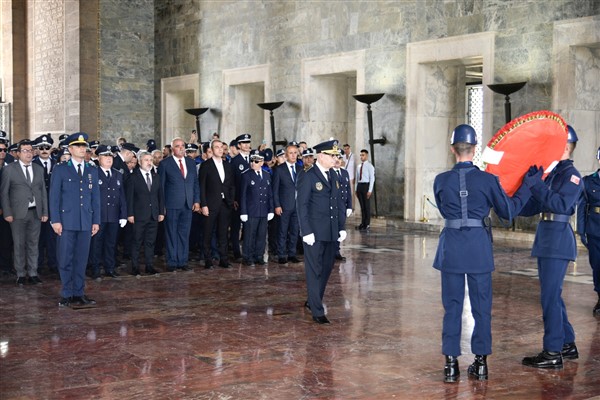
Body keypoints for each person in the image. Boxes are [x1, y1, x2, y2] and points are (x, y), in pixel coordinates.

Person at [433, 124, 535, 382]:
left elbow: (445, 211)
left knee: (452, 307)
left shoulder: (441, 180)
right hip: (478, 249)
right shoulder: (488, 181)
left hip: (452, 250)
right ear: (475, 149)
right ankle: (480, 363)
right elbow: (507, 212)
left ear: (452, 149)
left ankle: (450, 365)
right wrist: (527, 186)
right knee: (481, 307)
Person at [519, 125, 583, 369]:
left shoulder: (572, 175)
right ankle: (567, 343)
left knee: (548, 297)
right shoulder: (553, 174)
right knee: (552, 295)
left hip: (557, 241)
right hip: (547, 239)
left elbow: (560, 204)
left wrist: (537, 185)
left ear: (566, 147)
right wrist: (509, 200)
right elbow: (535, 204)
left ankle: (552, 352)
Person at [296, 139, 347, 324]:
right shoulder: (307, 175)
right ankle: (317, 310)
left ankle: (312, 299)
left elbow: (339, 203)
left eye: (336, 156)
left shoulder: (334, 175)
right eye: (332, 155)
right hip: (314, 233)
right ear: (320, 156)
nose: (335, 159)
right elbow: (301, 205)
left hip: (331, 231)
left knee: (326, 268)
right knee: (313, 269)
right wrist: (306, 231)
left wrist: (341, 227)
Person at [49, 132, 101, 309]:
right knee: (65, 258)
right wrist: (55, 220)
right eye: (78, 146)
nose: (82, 148)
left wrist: (96, 220)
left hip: (86, 221)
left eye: (83, 146)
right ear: (70, 149)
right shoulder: (61, 169)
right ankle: (67, 293)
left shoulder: (92, 170)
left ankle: (79, 292)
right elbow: (54, 197)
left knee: (81, 258)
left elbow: (96, 198)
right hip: (67, 220)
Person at [0, 140, 48, 285]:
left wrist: (45, 211)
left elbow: (43, 192)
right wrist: (7, 212)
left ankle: (33, 273)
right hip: (17, 214)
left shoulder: (38, 169)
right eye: (25, 151)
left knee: (34, 243)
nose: (29, 153)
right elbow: (4, 193)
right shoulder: (9, 169)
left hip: (35, 213)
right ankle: (20, 274)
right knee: (19, 244)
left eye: (31, 150)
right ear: (18, 153)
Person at [158, 137, 200, 271]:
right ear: (172, 149)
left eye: (183, 145)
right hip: (171, 204)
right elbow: (161, 187)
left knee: (184, 233)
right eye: (178, 146)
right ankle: (172, 262)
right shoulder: (165, 164)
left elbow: (195, 183)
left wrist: (197, 201)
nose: (181, 148)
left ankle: (182, 261)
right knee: (171, 234)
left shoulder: (191, 163)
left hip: (188, 204)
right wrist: (162, 206)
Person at [90, 145, 127, 279]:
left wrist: (123, 215)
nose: (108, 159)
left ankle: (109, 268)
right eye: (105, 156)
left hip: (113, 214)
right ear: (99, 158)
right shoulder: (93, 173)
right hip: (98, 216)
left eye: (110, 156)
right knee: (96, 244)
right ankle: (95, 268)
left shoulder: (117, 174)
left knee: (111, 243)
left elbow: (121, 195)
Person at [199, 139, 235, 269]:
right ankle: (208, 260)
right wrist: (203, 204)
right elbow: (201, 186)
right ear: (212, 150)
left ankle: (223, 259)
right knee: (208, 233)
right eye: (217, 147)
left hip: (225, 205)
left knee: (223, 233)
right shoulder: (206, 165)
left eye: (221, 147)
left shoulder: (228, 165)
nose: (220, 149)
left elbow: (231, 185)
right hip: (210, 204)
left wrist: (230, 200)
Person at [127, 150, 165, 275]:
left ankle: (149, 266)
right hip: (138, 215)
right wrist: (130, 214)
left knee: (150, 242)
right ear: (139, 161)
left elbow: (160, 196)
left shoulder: (156, 176)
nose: (149, 162)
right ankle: (135, 267)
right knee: (137, 242)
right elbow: (130, 197)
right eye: (146, 160)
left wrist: (161, 212)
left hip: (153, 215)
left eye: (150, 160)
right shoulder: (133, 177)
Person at [239, 150, 274, 266]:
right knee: (249, 235)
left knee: (261, 235)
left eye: (256, 161)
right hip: (251, 211)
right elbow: (242, 195)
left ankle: (259, 256)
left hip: (263, 210)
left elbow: (270, 194)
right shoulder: (246, 175)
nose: (253, 163)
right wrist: (243, 212)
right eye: (252, 160)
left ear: (262, 162)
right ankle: (247, 257)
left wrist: (271, 209)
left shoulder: (267, 175)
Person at [577, 146, 600, 316]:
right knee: (597, 265)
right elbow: (582, 206)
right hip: (595, 230)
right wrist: (581, 231)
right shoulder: (588, 181)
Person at [273, 142, 302, 264]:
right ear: (286, 155)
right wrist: (277, 205)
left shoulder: (301, 169)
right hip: (284, 206)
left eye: (295, 153)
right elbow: (275, 190)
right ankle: (281, 254)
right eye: (291, 153)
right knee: (283, 231)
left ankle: (292, 253)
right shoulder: (280, 169)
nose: (293, 155)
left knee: (295, 231)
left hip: (297, 206)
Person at [32, 135, 58, 274]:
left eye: (47, 147)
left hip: (53, 206)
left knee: (52, 237)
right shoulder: (33, 164)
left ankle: (53, 264)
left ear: (51, 149)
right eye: (41, 147)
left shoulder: (57, 164)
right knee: (38, 237)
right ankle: (38, 264)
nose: (44, 150)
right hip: (37, 206)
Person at [230, 133, 252, 262]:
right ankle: (236, 252)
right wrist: (233, 199)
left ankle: (249, 251)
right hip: (239, 199)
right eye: (244, 143)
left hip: (252, 200)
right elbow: (231, 182)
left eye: (248, 142)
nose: (247, 145)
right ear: (239, 145)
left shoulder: (254, 158)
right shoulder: (236, 161)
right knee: (236, 226)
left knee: (250, 227)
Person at [333, 151, 353, 261]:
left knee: (340, 229)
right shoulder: (330, 172)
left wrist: (349, 206)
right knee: (333, 229)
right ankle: (333, 251)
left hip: (342, 206)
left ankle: (337, 251)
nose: (337, 160)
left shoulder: (344, 173)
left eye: (339, 158)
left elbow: (348, 190)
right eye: (335, 157)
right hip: (333, 206)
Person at [355, 149, 375, 230]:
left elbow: (372, 179)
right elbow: (357, 179)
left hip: (366, 185)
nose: (361, 156)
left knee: (366, 206)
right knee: (362, 206)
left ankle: (367, 224)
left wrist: (370, 190)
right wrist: (356, 189)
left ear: (366, 156)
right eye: (360, 155)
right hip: (360, 186)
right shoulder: (358, 166)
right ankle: (362, 223)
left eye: (363, 155)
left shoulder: (370, 166)